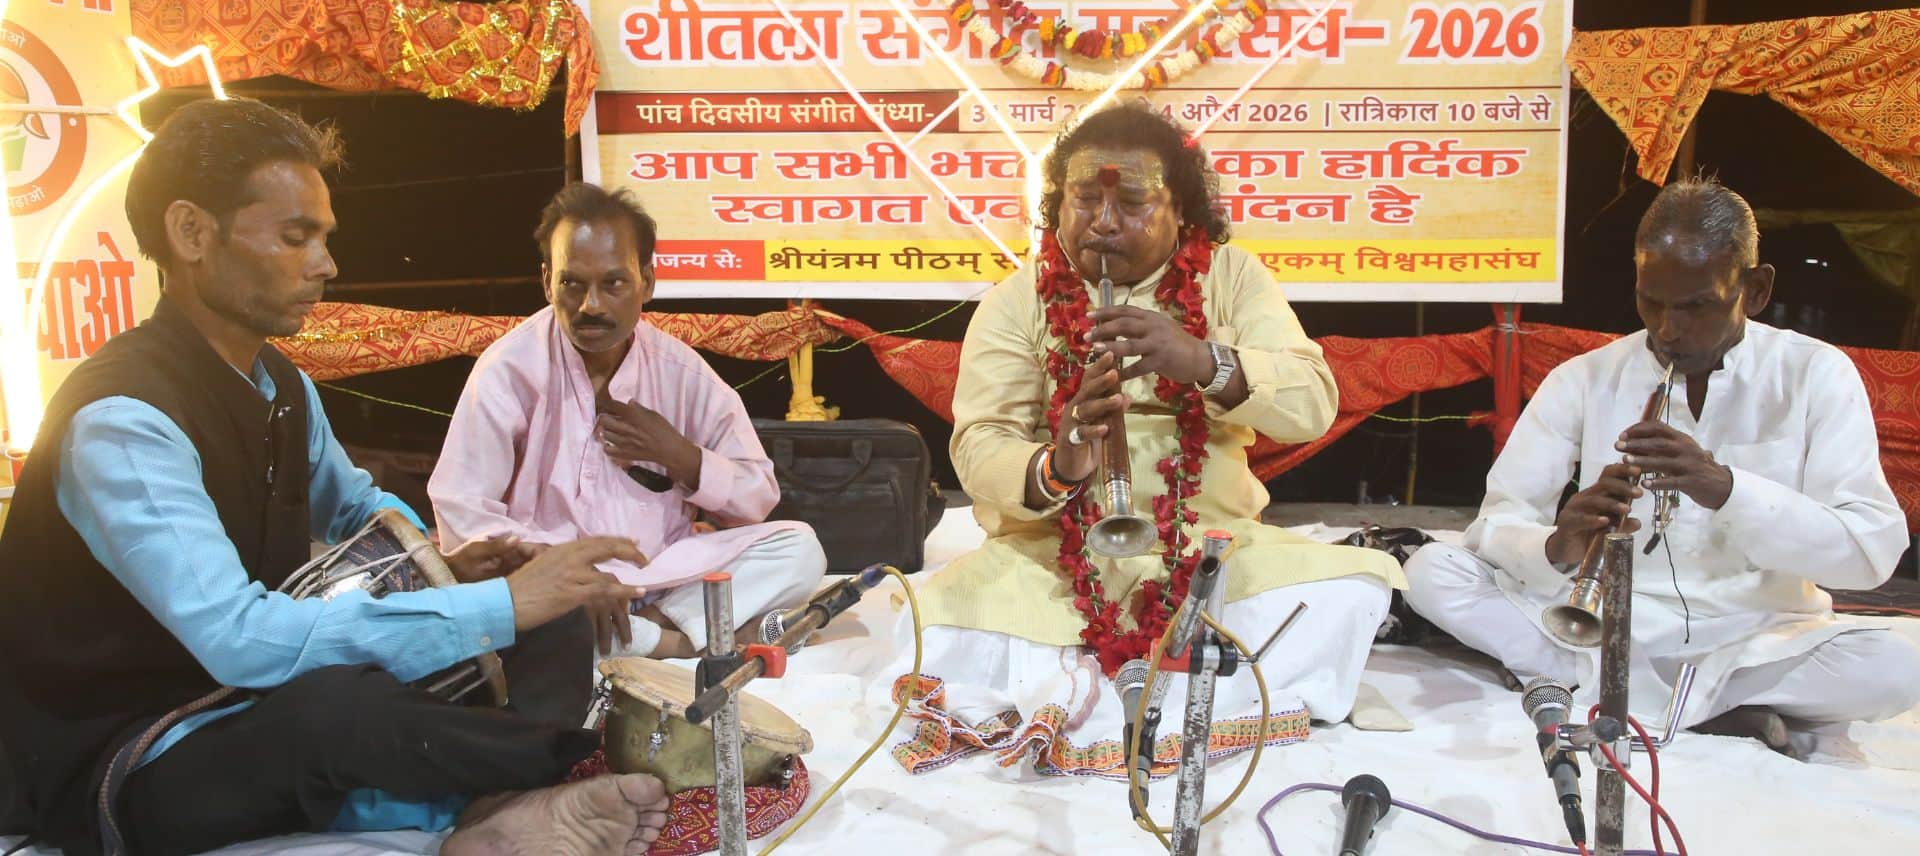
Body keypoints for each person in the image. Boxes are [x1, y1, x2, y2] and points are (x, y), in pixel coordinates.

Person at [0, 98, 673, 856]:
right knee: (339, 711)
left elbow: (357, 509)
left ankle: (497, 806)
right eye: (296, 237)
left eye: (323, 237)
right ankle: (514, 792)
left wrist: (443, 565)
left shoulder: (279, 384)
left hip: (255, 698)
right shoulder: (122, 421)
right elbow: (239, 641)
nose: (326, 264)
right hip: (135, 749)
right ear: (191, 232)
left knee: (550, 620)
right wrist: (495, 606)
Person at [891, 103, 1403, 776]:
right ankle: (1200, 689)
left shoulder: (1232, 277)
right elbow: (981, 442)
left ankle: (1094, 691)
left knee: (1358, 588)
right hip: (1052, 559)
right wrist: (1060, 461)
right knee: (931, 625)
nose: (1102, 222)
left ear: (1182, 211)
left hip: (1211, 552)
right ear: (1057, 204)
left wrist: (1203, 361)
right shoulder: (1019, 299)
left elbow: (1312, 401)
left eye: (1132, 202)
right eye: (1082, 199)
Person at [1405, 178, 1920, 755]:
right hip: (1603, 628)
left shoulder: (1815, 374)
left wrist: (1727, 490)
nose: (1669, 328)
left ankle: (1627, 691)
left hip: (1755, 634)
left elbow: (1871, 553)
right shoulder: (1584, 378)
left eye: (1697, 305)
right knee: (1432, 570)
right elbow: (1494, 525)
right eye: (1652, 301)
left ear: (1754, 289)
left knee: (1900, 668)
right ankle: (1720, 709)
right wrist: (1560, 542)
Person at [430, 182, 826, 660]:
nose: (591, 305)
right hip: (562, 589)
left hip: (663, 579)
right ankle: (680, 643)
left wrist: (680, 457)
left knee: (800, 550)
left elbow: (757, 497)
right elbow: (462, 513)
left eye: (613, 283)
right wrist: (554, 567)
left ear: (647, 282)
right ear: (546, 282)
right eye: (571, 283)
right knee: (529, 617)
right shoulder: (508, 370)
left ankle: (652, 634)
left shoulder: (682, 373)